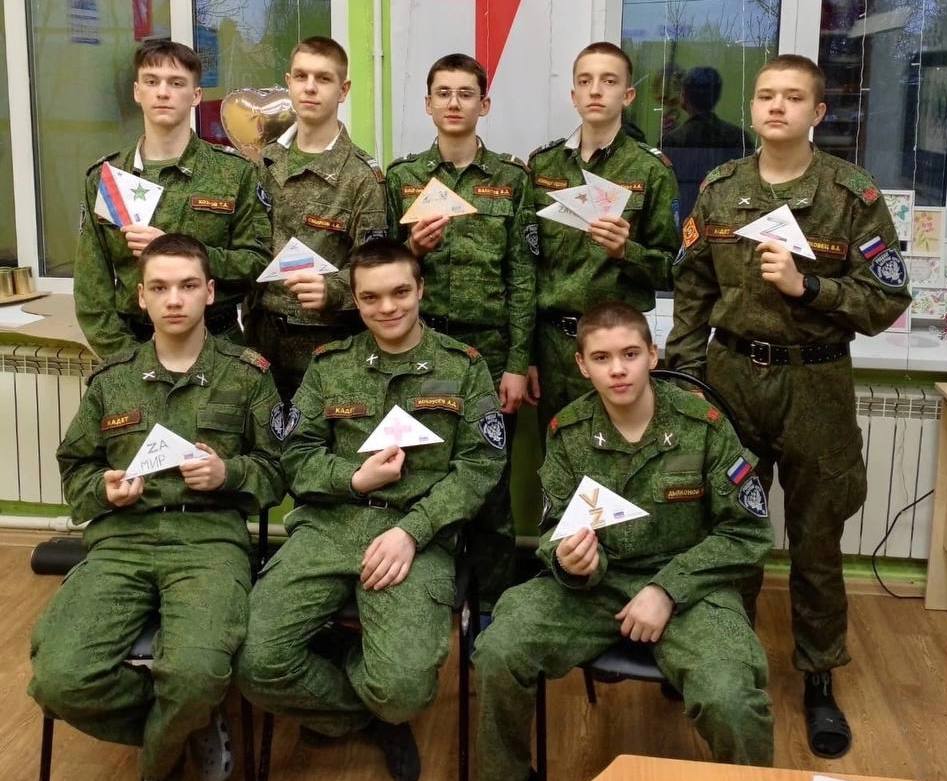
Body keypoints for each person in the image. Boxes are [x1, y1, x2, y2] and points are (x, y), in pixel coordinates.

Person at [665, 54, 912, 759]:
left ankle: (819, 675)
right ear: (752, 108)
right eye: (766, 95)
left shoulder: (851, 195)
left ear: (817, 112)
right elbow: (693, 291)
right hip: (731, 378)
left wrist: (811, 289)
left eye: (793, 97)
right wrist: (683, 379)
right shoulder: (721, 189)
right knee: (729, 524)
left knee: (816, 537)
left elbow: (887, 299)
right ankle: (724, 655)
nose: (777, 106)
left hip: (815, 385)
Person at [237, 239, 506, 781]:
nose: (388, 308)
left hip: (415, 534)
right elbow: (295, 458)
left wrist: (414, 530)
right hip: (329, 526)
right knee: (253, 663)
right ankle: (365, 716)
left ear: (421, 289)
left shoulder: (464, 367)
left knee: (402, 690)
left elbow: (480, 467)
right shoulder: (329, 366)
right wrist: (354, 478)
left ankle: (381, 703)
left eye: (400, 292)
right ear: (355, 300)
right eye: (371, 297)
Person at [473, 302, 774, 781]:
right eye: (601, 357)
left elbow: (747, 533)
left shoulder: (705, 426)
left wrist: (667, 589)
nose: (617, 369)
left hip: (691, 589)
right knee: (498, 650)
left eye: (630, 354)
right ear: (581, 364)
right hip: (595, 586)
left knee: (731, 697)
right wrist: (570, 560)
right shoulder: (568, 432)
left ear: (652, 355)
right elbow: (555, 529)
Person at [30, 234, 285, 781]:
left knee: (196, 675)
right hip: (120, 543)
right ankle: (184, 721)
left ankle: (166, 745)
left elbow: (279, 471)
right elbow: (76, 471)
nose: (174, 299)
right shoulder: (112, 379)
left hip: (209, 544)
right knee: (58, 680)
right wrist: (104, 490)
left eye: (188, 286)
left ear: (209, 293)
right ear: (141, 297)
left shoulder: (248, 374)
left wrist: (228, 474)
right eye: (160, 287)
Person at [386, 52, 537, 608]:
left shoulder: (511, 179)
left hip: (490, 348)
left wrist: (517, 364)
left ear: (484, 104)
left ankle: (493, 607)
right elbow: (379, 271)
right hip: (419, 347)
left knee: (490, 483)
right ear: (427, 104)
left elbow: (523, 277)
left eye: (465, 93)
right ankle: (428, 599)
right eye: (443, 93)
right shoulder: (402, 178)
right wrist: (411, 249)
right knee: (419, 471)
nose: (454, 103)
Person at [75, 40, 272, 360]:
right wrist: (127, 360)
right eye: (152, 82)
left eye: (176, 83)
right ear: (137, 91)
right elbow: (91, 291)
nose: (163, 92)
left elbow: (258, 265)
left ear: (196, 95)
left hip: (218, 348)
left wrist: (182, 250)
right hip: (133, 347)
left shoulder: (234, 173)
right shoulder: (106, 178)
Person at [527, 41, 680, 436]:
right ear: (573, 95)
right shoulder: (542, 164)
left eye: (609, 81)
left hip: (616, 350)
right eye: (585, 81)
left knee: (620, 454)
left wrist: (627, 251)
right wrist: (526, 355)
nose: (595, 90)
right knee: (558, 451)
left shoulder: (651, 170)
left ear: (627, 96)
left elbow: (673, 270)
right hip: (552, 345)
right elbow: (526, 264)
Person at [246, 36, 388, 403]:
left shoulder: (361, 176)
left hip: (328, 347)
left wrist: (332, 289)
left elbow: (375, 268)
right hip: (260, 341)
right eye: (301, 76)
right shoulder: (263, 163)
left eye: (323, 78)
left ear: (344, 90)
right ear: (288, 82)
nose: (310, 87)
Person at [662, 66, 755, 221]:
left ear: (684, 96)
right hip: (730, 218)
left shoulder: (673, 140)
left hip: (684, 218)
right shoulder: (739, 137)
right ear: (716, 96)